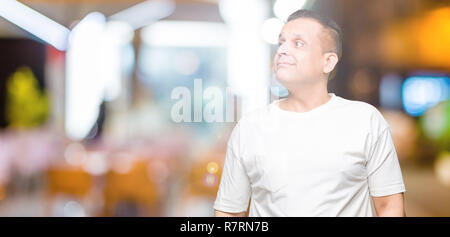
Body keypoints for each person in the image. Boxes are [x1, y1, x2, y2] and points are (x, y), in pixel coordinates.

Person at [213, 9, 406, 217]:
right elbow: (230, 213)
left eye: (298, 43)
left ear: (328, 62)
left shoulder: (366, 120)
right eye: (281, 42)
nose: (283, 50)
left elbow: (389, 207)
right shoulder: (250, 127)